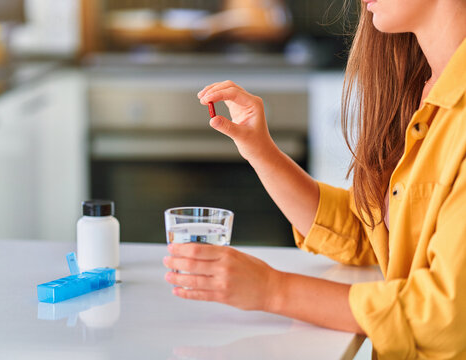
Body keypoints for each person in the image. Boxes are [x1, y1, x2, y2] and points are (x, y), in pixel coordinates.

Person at [162, 0, 466, 358]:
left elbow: (443, 315)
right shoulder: (423, 86)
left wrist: (271, 289)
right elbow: (371, 231)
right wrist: (261, 151)